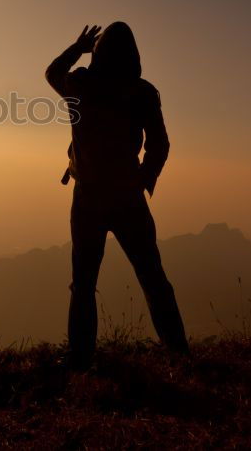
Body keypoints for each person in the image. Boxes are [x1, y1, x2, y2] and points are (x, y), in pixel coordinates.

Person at [46, 22, 189, 370]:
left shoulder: (81, 84)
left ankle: (79, 358)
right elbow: (160, 145)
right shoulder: (142, 92)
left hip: (89, 197)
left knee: (83, 282)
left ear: (98, 53)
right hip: (127, 197)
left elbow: (53, 72)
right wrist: (142, 180)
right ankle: (178, 352)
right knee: (152, 276)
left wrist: (77, 46)